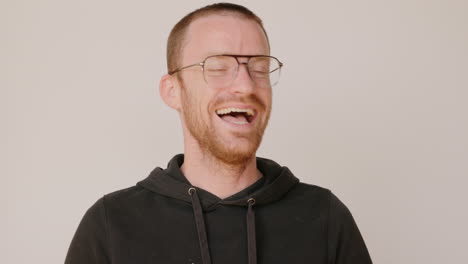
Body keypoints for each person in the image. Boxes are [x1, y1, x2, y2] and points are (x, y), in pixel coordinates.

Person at [65, 3, 373, 264]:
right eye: (217, 66)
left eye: (259, 68)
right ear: (173, 91)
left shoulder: (325, 218)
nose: (246, 85)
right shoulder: (111, 224)